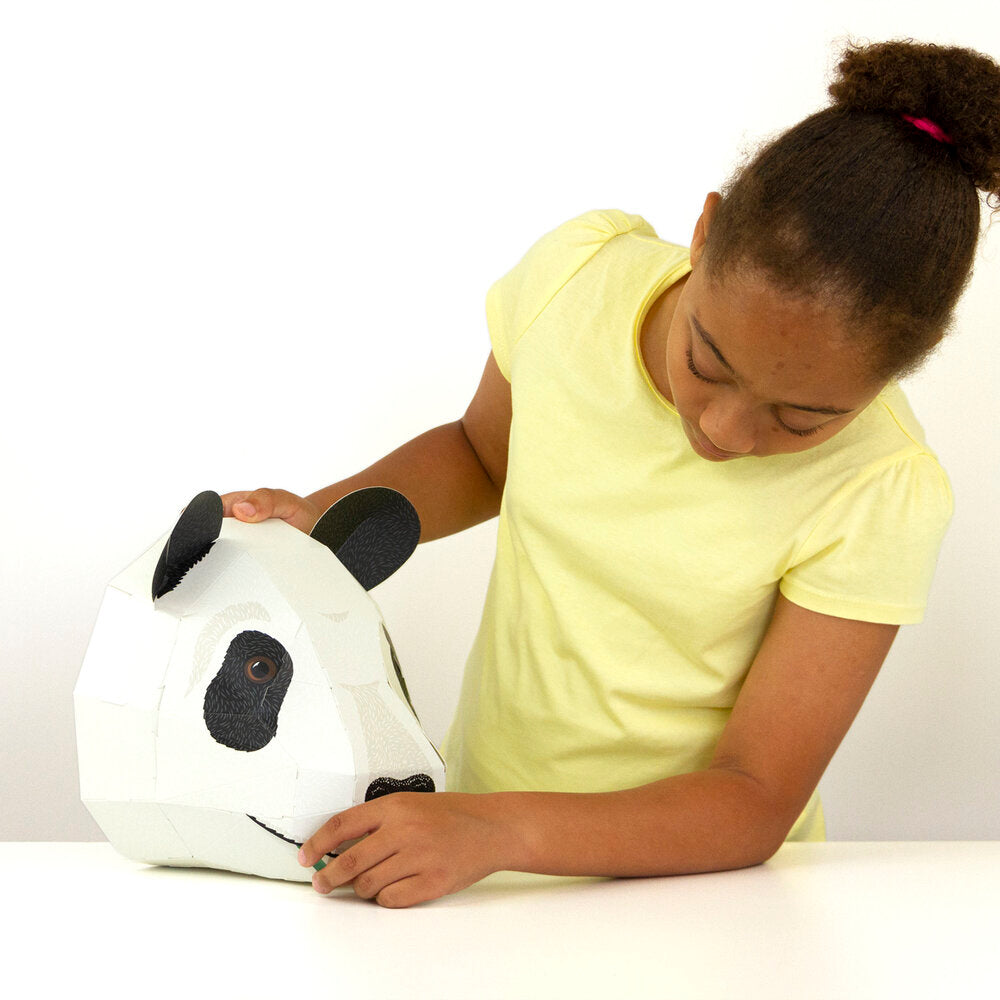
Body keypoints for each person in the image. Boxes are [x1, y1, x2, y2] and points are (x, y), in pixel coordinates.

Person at [222, 39, 1000, 907]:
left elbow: (752, 799)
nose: (724, 430)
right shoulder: (578, 279)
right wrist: (318, 524)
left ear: (895, 374)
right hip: (478, 858)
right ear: (703, 235)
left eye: (802, 419)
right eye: (708, 361)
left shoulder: (883, 485)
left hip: (706, 897)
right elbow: (484, 456)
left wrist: (497, 828)